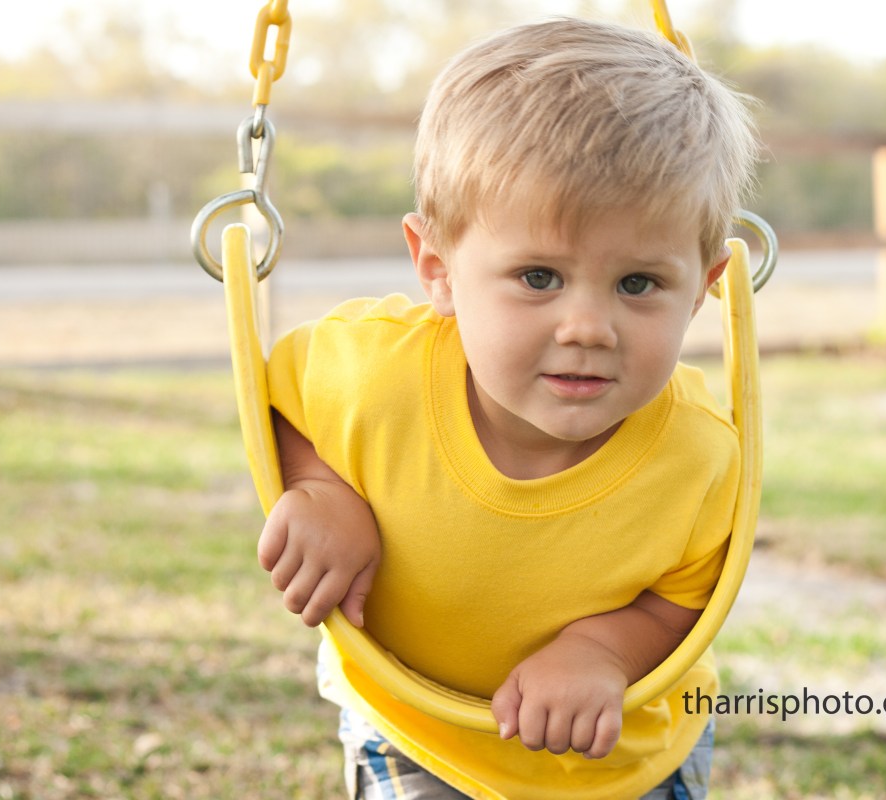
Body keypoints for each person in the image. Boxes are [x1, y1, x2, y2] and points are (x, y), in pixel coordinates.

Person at [258, 15, 758, 800]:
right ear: (438, 267)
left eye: (637, 284)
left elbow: (681, 599)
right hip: (422, 731)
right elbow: (277, 401)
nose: (588, 328)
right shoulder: (372, 371)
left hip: (625, 759)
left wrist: (602, 650)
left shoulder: (698, 455)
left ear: (705, 284)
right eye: (538, 277)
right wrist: (322, 487)